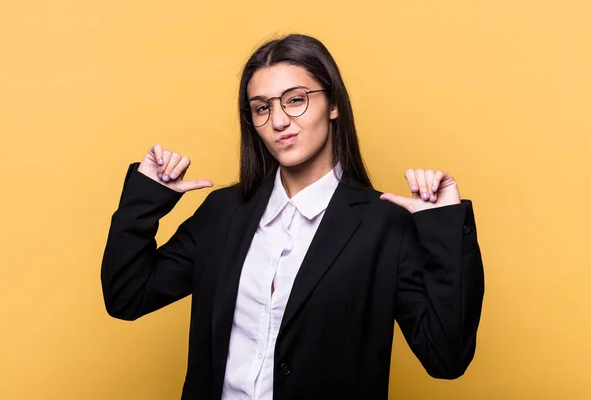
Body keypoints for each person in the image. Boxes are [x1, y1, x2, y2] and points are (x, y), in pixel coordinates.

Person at [101, 33, 485, 400]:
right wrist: (146, 197)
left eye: (296, 99)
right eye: (262, 107)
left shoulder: (384, 226)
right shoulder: (223, 212)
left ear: (333, 104)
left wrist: (445, 227)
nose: (279, 121)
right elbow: (127, 296)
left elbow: (446, 358)